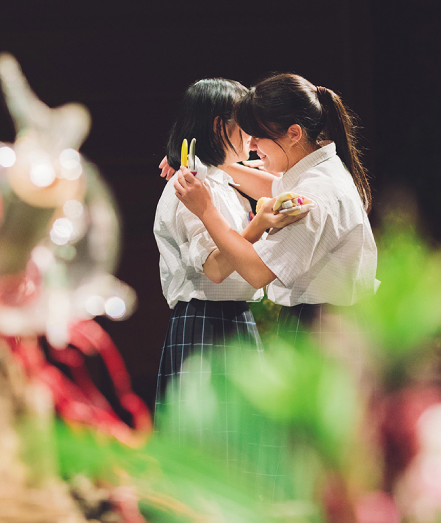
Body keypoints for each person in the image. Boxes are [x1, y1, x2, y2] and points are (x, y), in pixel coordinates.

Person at [171, 73, 379, 346]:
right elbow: (272, 187)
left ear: (294, 133)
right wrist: (205, 162)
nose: (252, 145)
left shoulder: (316, 193)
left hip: (321, 327)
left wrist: (206, 209)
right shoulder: (321, 171)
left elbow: (257, 272)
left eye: (259, 136)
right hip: (330, 320)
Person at [153, 78, 306, 435]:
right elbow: (216, 269)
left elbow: (279, 185)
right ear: (218, 126)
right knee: (207, 449)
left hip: (234, 318)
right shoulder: (189, 188)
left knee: (242, 451)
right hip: (205, 322)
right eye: (246, 125)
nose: (253, 138)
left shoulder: (220, 184)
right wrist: (259, 224)